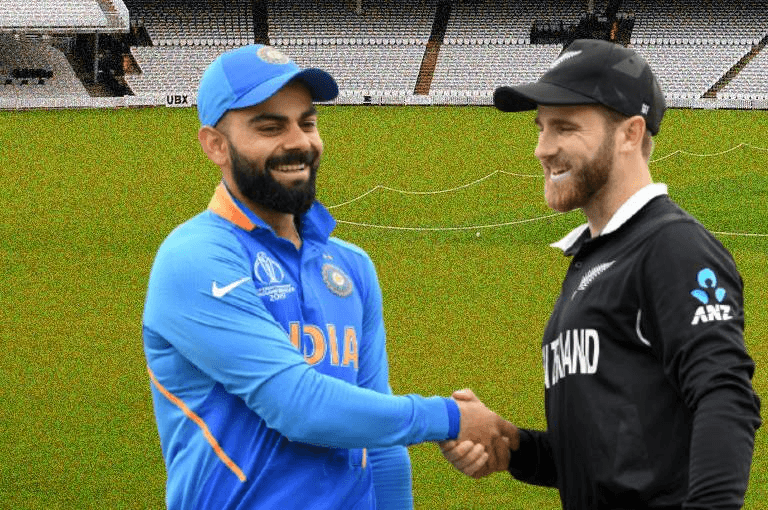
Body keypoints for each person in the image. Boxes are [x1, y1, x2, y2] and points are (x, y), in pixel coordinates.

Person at [141, 44, 516, 510]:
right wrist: (449, 417)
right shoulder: (195, 258)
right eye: (270, 127)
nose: (298, 142)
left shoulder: (352, 265)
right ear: (215, 144)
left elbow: (379, 446)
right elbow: (296, 404)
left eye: (307, 122)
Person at [440, 39, 762, 509]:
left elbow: (725, 396)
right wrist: (513, 447)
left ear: (630, 133)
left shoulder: (671, 247)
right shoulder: (594, 257)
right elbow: (614, 460)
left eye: (565, 127)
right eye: (541, 128)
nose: (542, 149)